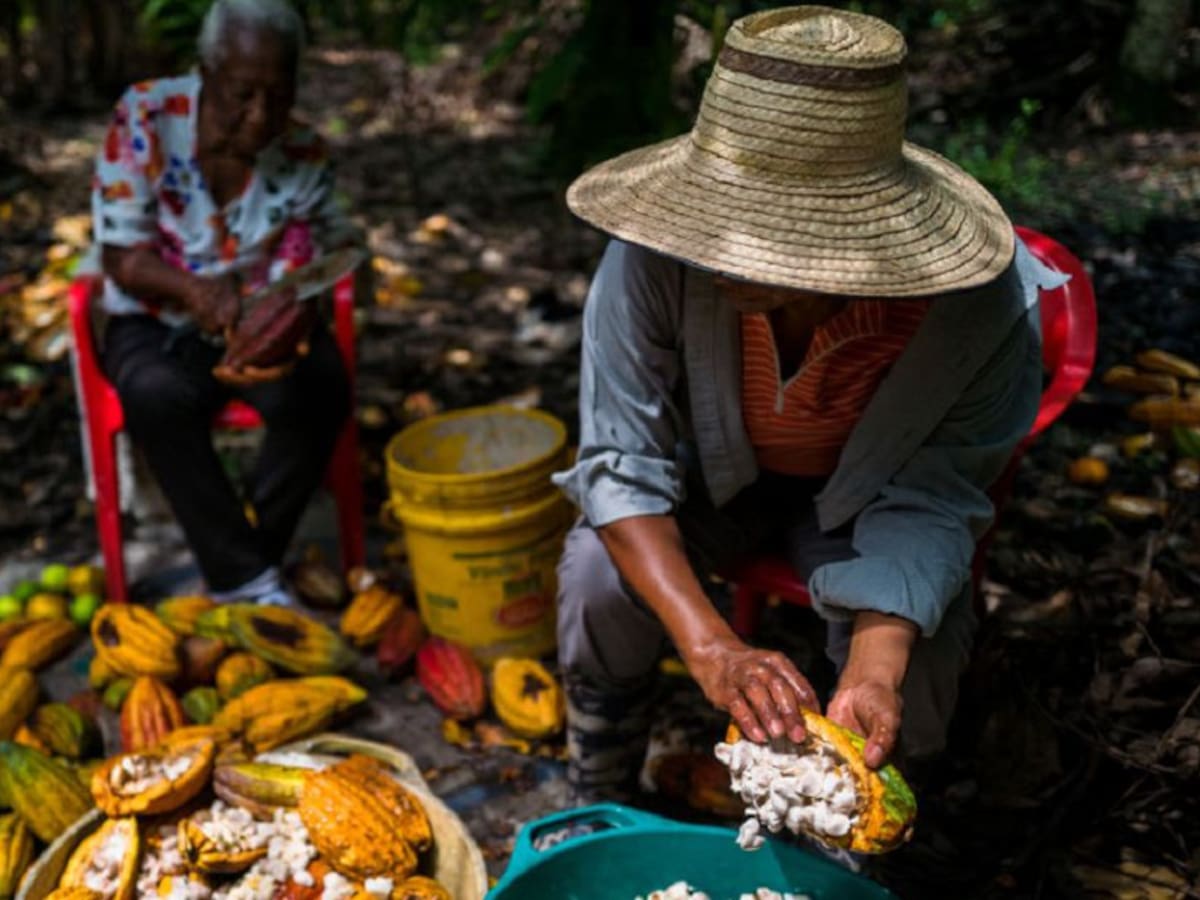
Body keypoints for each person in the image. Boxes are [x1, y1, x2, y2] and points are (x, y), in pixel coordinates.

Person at [552, 5, 1068, 803]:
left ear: (853, 239)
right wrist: (713, 648)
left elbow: (937, 495)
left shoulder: (970, 311)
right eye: (718, 222)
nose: (724, 254)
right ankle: (600, 779)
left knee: (919, 662)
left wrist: (875, 666)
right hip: (717, 478)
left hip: (872, 498)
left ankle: (864, 829)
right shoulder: (656, 264)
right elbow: (622, 466)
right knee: (596, 574)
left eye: (766, 237)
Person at [92, 0, 360, 605]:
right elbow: (122, 257)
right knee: (155, 394)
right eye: (242, 94)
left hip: (262, 318)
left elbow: (330, 252)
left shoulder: (303, 152)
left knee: (320, 389)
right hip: (157, 316)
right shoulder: (145, 116)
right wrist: (197, 292)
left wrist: (294, 308)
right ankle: (249, 577)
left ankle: (246, 565)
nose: (261, 115)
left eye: (279, 94)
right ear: (206, 72)